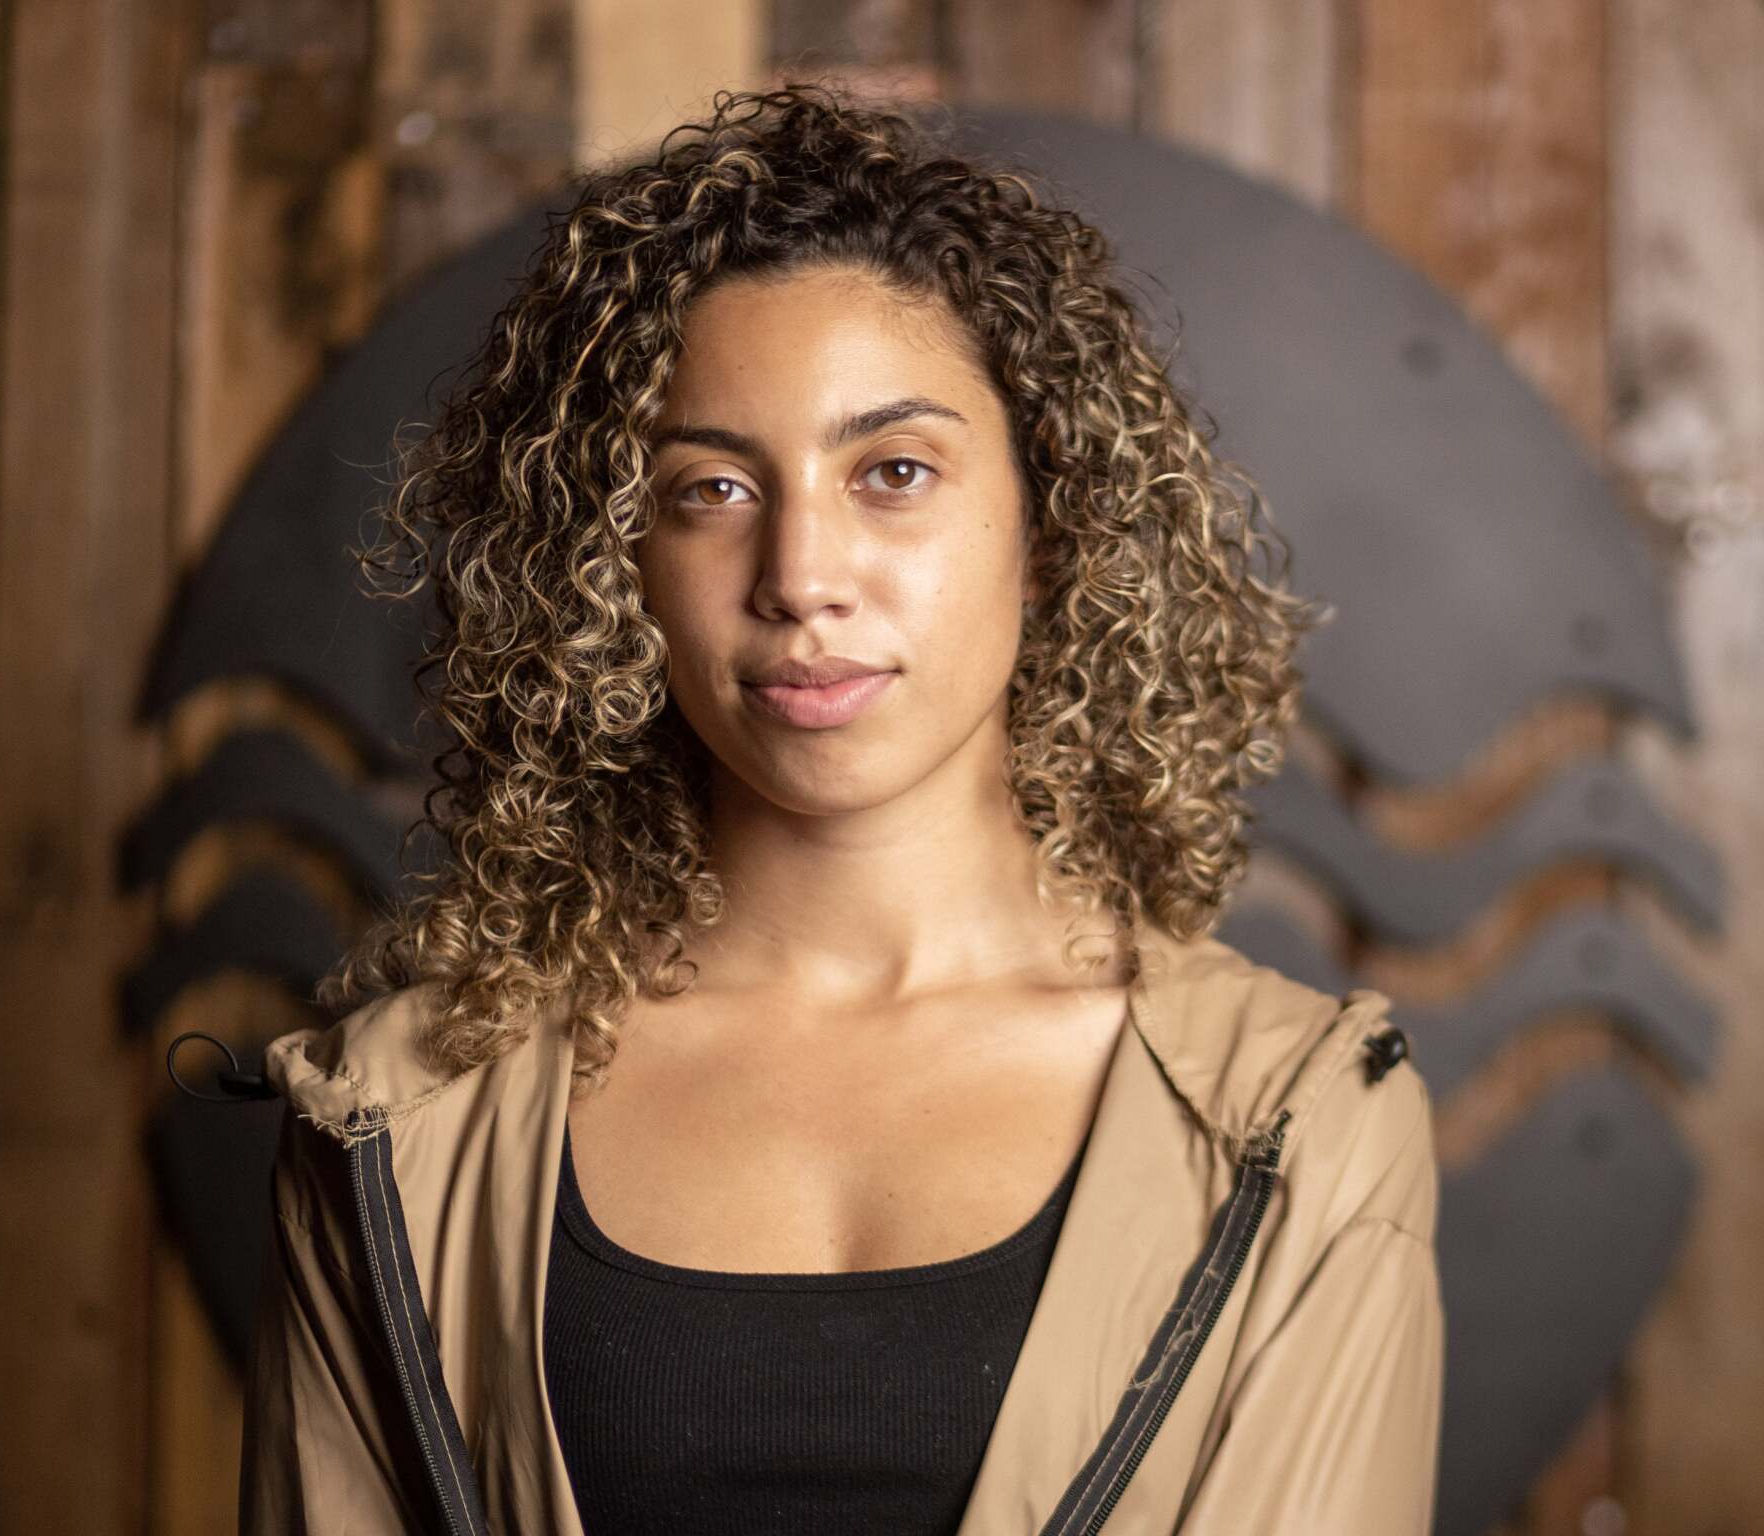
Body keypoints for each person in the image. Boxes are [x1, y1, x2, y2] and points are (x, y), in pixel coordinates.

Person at [237, 81, 1444, 1535]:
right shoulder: (400, 1116)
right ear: (611, 566)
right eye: (710, 491)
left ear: (1052, 529)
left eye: (894, 472)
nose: (803, 572)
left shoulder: (1298, 1123)